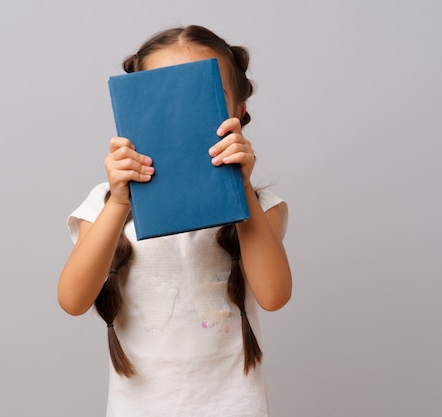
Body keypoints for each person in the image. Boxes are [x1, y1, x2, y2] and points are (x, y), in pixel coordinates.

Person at [58, 25, 292, 417]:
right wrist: (118, 202)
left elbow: (274, 295)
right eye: (167, 102)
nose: (184, 118)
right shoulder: (104, 205)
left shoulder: (262, 205)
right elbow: (73, 299)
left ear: (238, 111)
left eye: (204, 100)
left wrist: (243, 187)